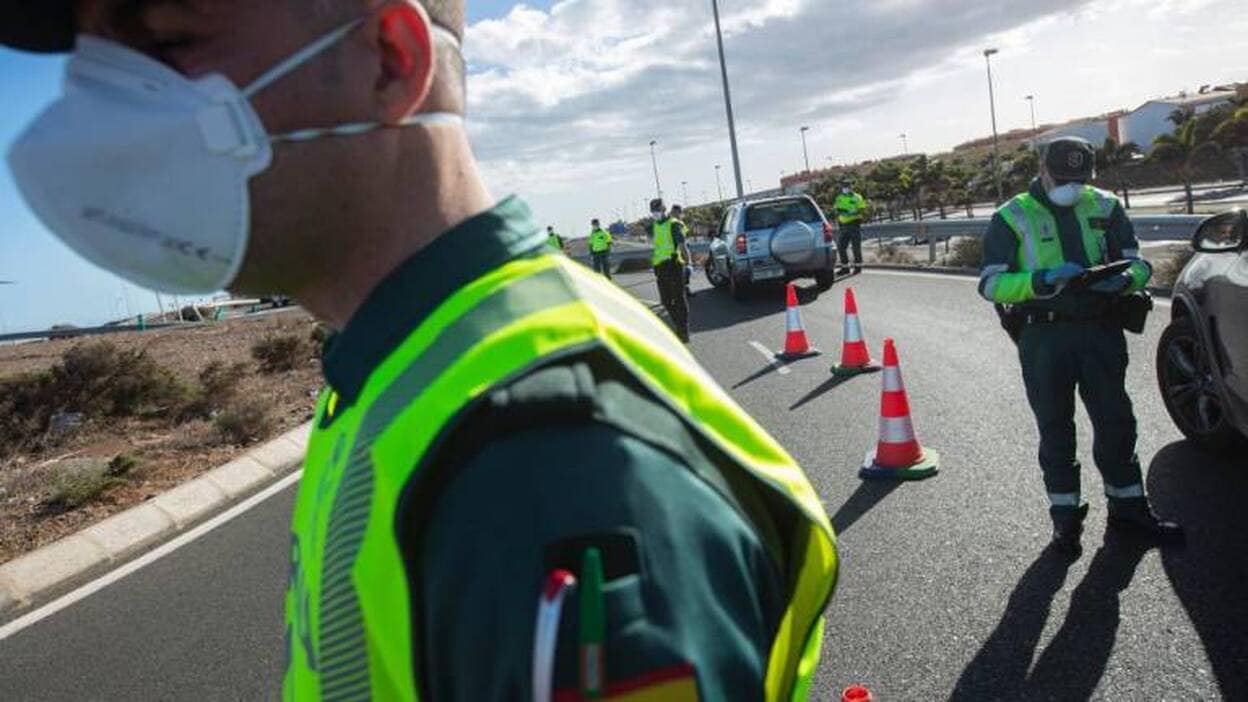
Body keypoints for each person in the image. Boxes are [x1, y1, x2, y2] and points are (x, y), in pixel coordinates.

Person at [1, 2, 838, 700]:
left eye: (169, 42)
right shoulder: (396, 374)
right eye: (95, 62)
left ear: (389, 60)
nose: (104, 114)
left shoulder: (552, 463)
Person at [978, 136, 1182, 559]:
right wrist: (1040, 280)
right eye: (1063, 177)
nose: (1072, 186)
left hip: (1100, 330)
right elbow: (991, 283)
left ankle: (1128, 509)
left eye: (1080, 178)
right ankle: (1065, 521)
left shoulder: (1104, 205)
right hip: (1043, 337)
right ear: (1042, 168)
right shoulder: (1012, 216)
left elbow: (1138, 262)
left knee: (1116, 422)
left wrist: (1126, 280)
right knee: (1056, 429)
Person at [649, 199, 690, 342]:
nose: (655, 213)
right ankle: (679, 326)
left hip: (674, 264)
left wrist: (688, 262)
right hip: (660, 267)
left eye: (658, 210)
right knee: (666, 301)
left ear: (664, 209)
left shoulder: (673, 224)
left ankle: (683, 330)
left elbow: (682, 245)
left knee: (679, 298)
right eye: (653, 211)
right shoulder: (655, 225)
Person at [833, 182, 868, 274]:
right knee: (841, 247)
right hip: (843, 225)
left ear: (851, 187)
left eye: (847, 187)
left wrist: (852, 213)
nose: (845, 188)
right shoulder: (839, 198)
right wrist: (841, 213)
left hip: (854, 224)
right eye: (843, 187)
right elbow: (836, 209)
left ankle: (858, 267)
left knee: (856, 247)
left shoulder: (857, 197)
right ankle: (845, 268)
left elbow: (862, 209)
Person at [669, 203, 695, 298]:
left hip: (667, 255)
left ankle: (679, 292)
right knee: (687, 270)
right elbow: (681, 244)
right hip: (676, 255)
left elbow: (685, 235)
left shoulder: (671, 223)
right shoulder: (676, 224)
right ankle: (683, 291)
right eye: (679, 212)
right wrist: (687, 258)